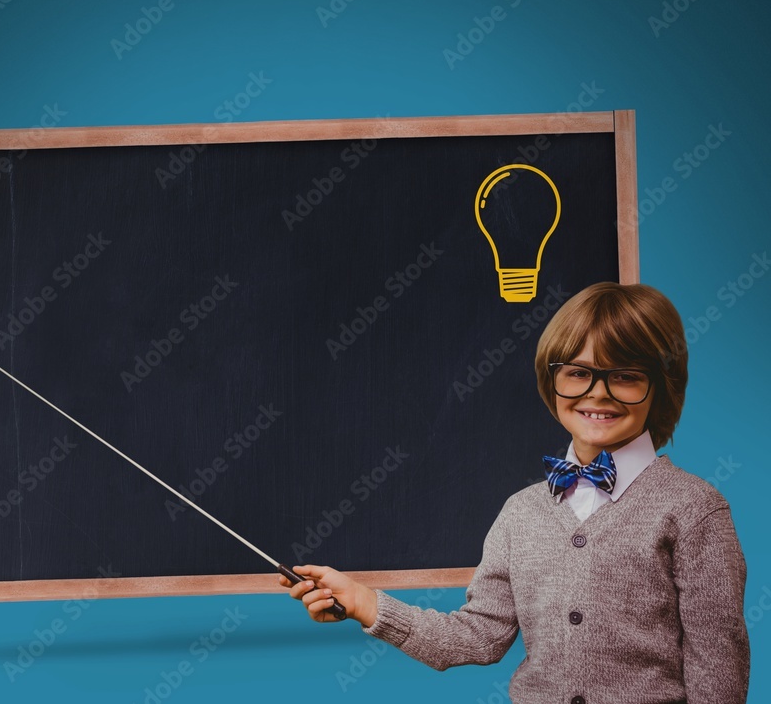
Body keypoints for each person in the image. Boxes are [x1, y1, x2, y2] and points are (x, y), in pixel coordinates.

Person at [280, 282, 749, 704]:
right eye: (578, 372)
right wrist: (364, 602)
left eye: (626, 376)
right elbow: (477, 636)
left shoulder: (693, 510)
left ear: (661, 388)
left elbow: (718, 673)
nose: (598, 393)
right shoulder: (521, 512)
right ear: (553, 379)